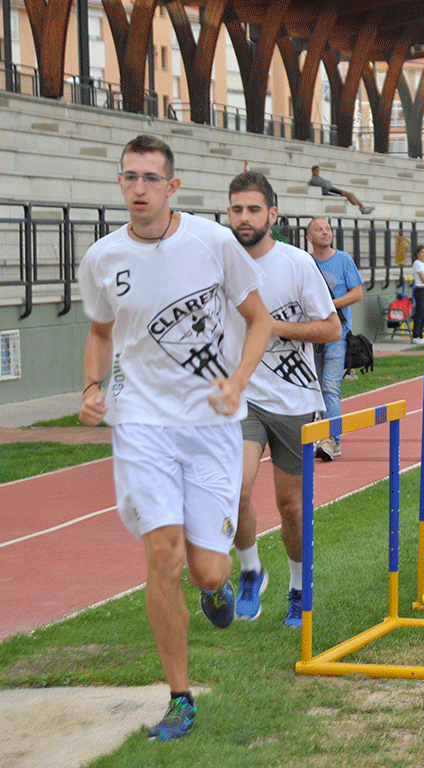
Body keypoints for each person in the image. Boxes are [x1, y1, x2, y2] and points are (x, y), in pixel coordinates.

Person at [77, 134, 271, 741]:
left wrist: (238, 382)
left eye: (150, 178)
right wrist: (91, 386)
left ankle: (218, 586)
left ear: (172, 185)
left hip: (211, 424)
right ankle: (180, 696)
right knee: (162, 552)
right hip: (141, 423)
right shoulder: (103, 258)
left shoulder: (212, 242)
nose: (138, 189)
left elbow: (259, 320)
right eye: (129, 178)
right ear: (121, 184)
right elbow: (101, 332)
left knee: (207, 572)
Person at [226, 173, 342, 627]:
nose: (245, 218)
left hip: (293, 400)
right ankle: (251, 569)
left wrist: (274, 327)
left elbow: (331, 329)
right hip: (243, 396)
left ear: (272, 215)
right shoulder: (221, 262)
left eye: (254, 209)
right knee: (234, 488)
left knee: (290, 507)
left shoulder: (296, 264)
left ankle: (298, 586)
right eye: (237, 209)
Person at [307, 216, 364, 461]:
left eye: (328, 228)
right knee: (314, 389)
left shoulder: (343, 260)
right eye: (319, 229)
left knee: (330, 387)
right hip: (310, 335)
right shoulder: (304, 262)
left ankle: (332, 440)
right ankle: (321, 435)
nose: (325, 232)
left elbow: (357, 293)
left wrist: (328, 304)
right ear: (309, 237)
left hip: (336, 334)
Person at [308, 165, 374, 214]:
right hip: (328, 191)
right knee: (348, 195)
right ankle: (360, 209)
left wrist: (327, 183)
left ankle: (363, 207)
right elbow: (326, 184)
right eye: (316, 171)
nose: (318, 172)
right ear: (313, 171)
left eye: (318, 170)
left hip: (331, 188)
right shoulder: (314, 179)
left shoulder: (319, 178)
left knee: (351, 194)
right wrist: (327, 183)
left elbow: (328, 182)